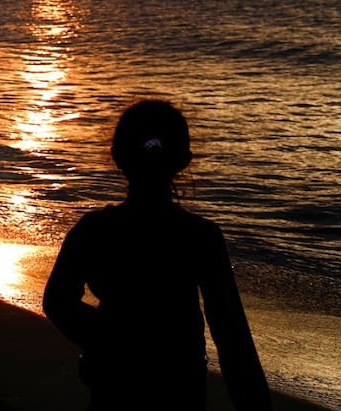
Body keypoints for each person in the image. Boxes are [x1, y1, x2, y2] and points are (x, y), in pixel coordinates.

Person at [43, 100, 271, 411]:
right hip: (178, 387)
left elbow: (57, 302)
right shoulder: (200, 236)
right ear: (184, 160)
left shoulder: (95, 229)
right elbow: (231, 335)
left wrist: (109, 341)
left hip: (115, 386)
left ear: (116, 157)